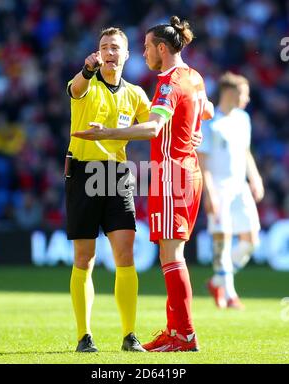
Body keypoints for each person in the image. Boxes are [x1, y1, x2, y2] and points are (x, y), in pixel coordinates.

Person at [72, 16, 214, 352]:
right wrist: (194, 128)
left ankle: (182, 333)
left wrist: (108, 134)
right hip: (186, 170)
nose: (144, 52)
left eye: (147, 46)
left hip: (170, 172)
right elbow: (205, 110)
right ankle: (176, 330)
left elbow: (151, 129)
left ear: (161, 49)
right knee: (167, 254)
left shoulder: (165, 84)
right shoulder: (193, 76)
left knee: (170, 255)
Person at [66, 27, 151, 353]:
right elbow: (76, 87)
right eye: (103, 47)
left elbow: (152, 128)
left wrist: (114, 133)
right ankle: (83, 336)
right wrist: (87, 70)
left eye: (115, 47)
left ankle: (130, 335)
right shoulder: (87, 83)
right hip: (84, 174)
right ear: (97, 54)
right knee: (84, 258)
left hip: (116, 175)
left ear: (126, 54)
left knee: (125, 255)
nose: (109, 52)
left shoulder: (135, 93)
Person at [197, 72, 264, 310]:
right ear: (230, 92)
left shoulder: (243, 118)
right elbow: (201, 160)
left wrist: (254, 177)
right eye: (244, 93)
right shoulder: (210, 121)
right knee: (222, 240)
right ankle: (230, 293)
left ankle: (217, 281)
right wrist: (209, 192)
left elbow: (245, 152)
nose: (246, 98)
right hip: (219, 186)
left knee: (252, 240)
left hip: (239, 186)